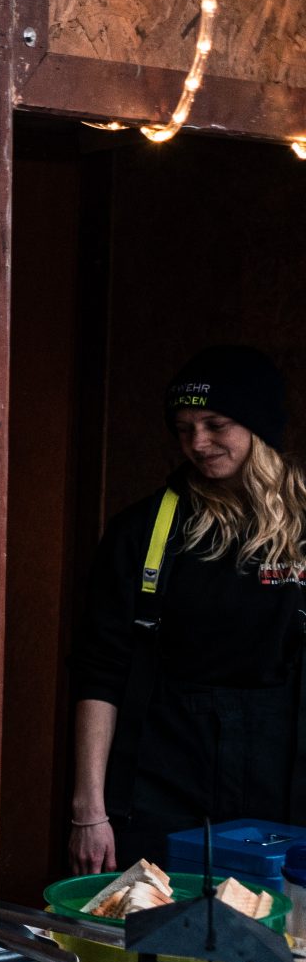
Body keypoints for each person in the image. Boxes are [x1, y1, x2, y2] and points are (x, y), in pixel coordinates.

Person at [72, 346, 306, 875]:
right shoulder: (144, 530)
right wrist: (89, 811)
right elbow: (100, 671)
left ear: (257, 424)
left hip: (282, 780)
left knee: (275, 943)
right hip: (164, 776)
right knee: (154, 937)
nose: (198, 444)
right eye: (184, 428)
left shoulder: (302, 527)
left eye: (215, 423)